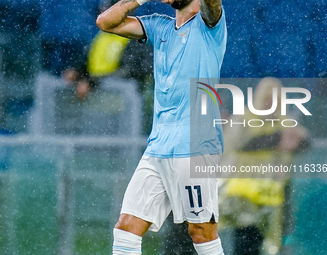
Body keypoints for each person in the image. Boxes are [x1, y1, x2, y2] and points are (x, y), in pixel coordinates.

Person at [96, 0, 227, 254]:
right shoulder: (159, 26)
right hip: (158, 146)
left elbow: (212, 3)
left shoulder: (209, 24)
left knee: (201, 232)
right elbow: (105, 22)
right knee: (126, 226)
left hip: (195, 146)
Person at [218, 78, 310, 255]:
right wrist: (276, 139)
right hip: (245, 192)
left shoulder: (284, 121)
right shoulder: (244, 118)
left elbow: (305, 141)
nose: (270, 103)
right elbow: (238, 144)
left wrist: (296, 141)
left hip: (274, 192)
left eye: (275, 99)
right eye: (267, 98)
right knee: (246, 239)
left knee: (274, 241)